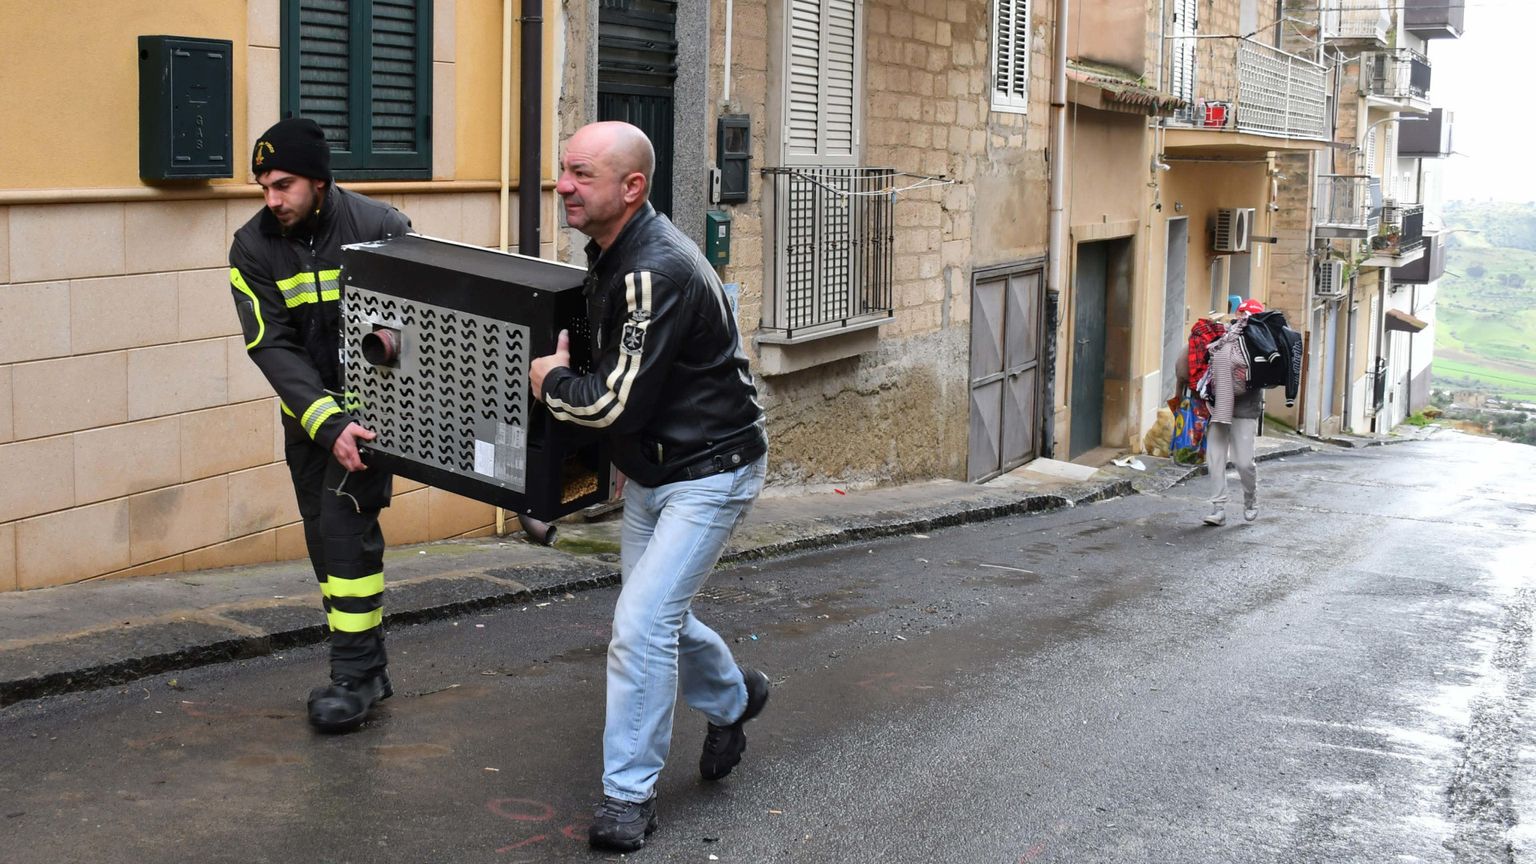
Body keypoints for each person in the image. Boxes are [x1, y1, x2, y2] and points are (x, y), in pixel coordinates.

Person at [530, 121, 770, 852]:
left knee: (640, 625)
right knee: (655, 617)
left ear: (632, 188)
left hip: (711, 470)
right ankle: (735, 699)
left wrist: (548, 383)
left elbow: (610, 402)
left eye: (581, 174)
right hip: (657, 468)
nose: (563, 185)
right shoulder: (611, 254)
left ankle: (627, 799)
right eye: (563, 170)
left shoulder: (651, 269)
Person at [228, 118, 413, 733]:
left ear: (319, 180)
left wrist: (361, 420)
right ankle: (370, 665)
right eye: (263, 188)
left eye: (282, 185)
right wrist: (324, 420)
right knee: (323, 543)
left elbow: (416, 327)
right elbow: (270, 345)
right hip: (309, 423)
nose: (271, 200)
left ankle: (354, 678)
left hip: (370, 421)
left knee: (343, 533)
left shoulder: (380, 229)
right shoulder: (252, 248)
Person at [1200, 298, 1266, 526]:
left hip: (1245, 409)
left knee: (1244, 462)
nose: (1243, 319)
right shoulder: (1223, 338)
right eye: (1241, 314)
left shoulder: (1263, 343)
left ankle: (1251, 499)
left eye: (1249, 316)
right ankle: (1218, 508)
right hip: (1218, 408)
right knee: (1215, 459)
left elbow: (1272, 380)